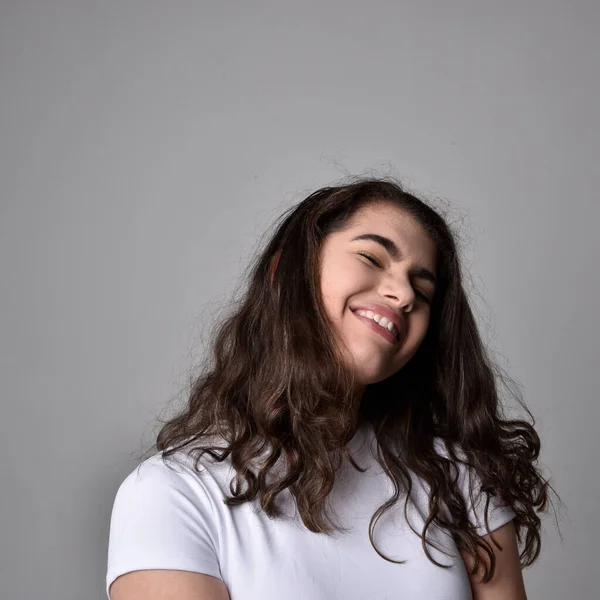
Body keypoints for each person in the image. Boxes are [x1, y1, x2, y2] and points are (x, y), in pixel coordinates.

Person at [106, 178, 552, 600]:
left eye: (422, 287)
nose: (403, 294)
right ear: (285, 271)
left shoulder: (460, 480)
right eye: (372, 259)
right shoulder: (172, 495)